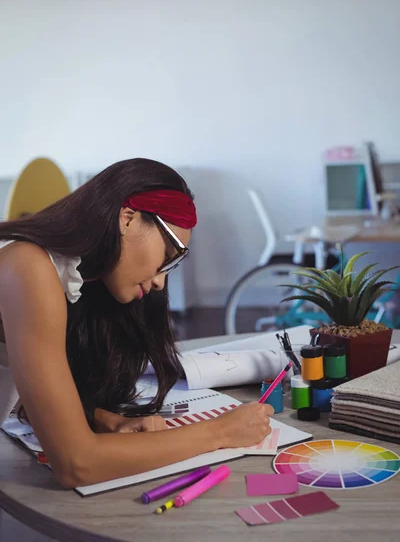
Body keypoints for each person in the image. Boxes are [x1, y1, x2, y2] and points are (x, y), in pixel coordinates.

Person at [0, 158, 273, 488]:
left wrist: (103, 420)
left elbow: (26, 395)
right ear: (127, 219)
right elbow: (76, 464)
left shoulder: (66, 276)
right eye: (169, 254)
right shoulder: (27, 265)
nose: (160, 281)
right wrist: (220, 431)